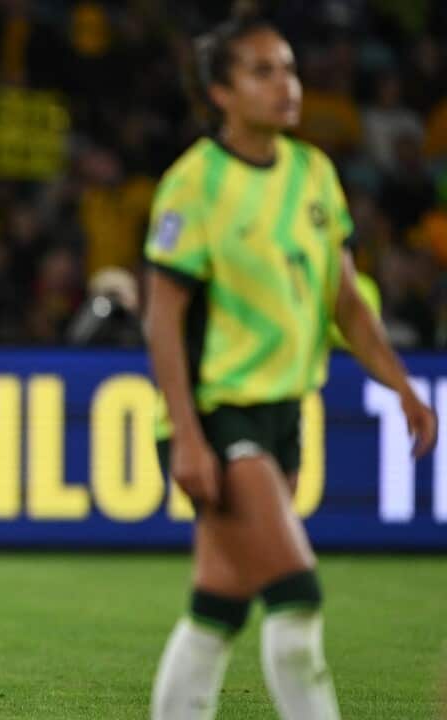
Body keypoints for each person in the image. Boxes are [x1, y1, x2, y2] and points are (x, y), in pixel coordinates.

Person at [143, 14, 437, 720]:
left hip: (283, 415)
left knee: (220, 604)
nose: (287, 84)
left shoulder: (314, 172)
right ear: (221, 92)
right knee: (297, 600)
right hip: (219, 415)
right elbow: (162, 317)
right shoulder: (195, 182)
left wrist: (401, 385)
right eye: (263, 71)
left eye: (290, 68)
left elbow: (347, 304)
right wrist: (186, 434)